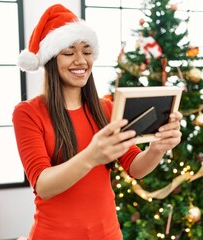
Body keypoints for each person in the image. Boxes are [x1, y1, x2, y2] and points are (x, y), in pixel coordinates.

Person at [12, 4, 182, 240]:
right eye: (69, 52)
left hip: (108, 234)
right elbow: (43, 185)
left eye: (87, 51)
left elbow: (135, 167)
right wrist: (92, 155)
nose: (81, 61)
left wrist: (157, 148)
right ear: (51, 59)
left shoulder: (107, 109)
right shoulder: (28, 113)